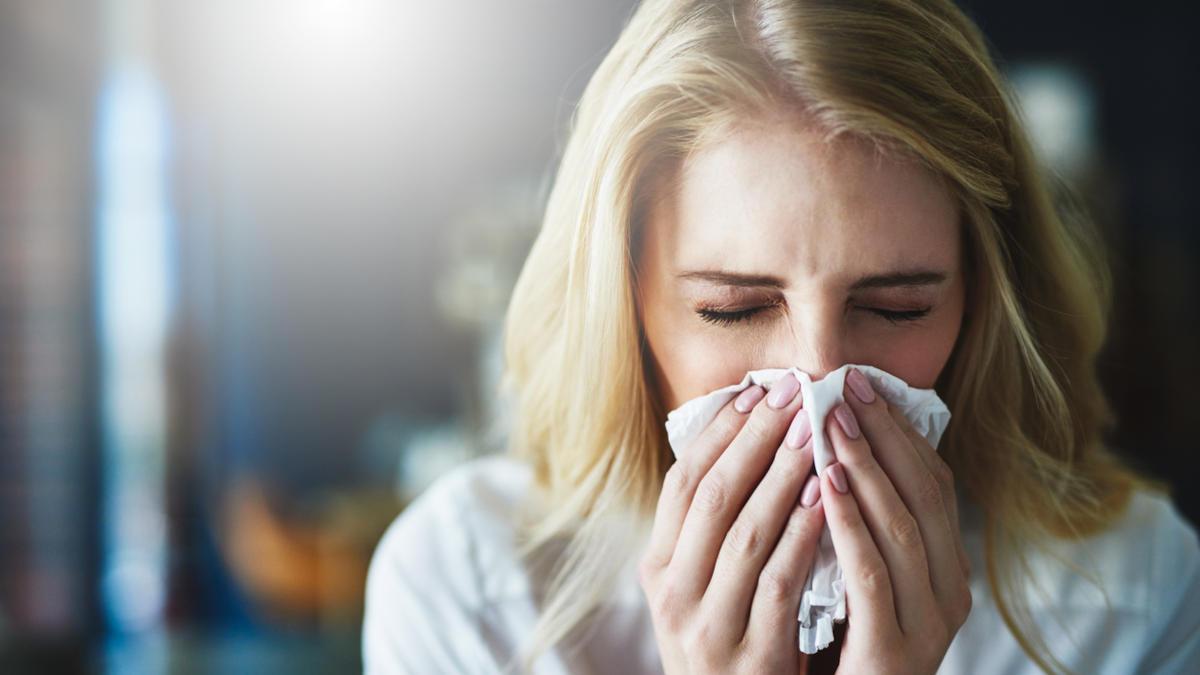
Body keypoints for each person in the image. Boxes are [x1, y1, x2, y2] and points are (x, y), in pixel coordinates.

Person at [362, 0, 1200, 673]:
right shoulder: (474, 592)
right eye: (734, 308)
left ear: (981, 303)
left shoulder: (1132, 598)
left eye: (898, 307)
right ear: (624, 308)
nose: (818, 379)